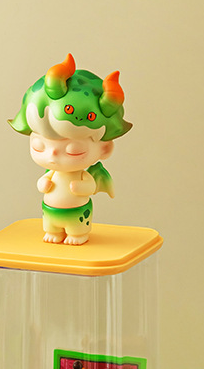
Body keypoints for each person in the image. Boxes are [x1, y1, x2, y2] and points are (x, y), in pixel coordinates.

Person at [9, 53, 131, 245]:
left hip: (78, 213)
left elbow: (90, 186)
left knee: (77, 227)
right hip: (51, 212)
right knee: (51, 227)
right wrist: (43, 184)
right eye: (39, 146)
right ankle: (54, 232)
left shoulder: (84, 176)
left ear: (105, 149)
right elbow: (42, 184)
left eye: (74, 150)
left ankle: (78, 233)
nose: (53, 154)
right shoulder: (51, 173)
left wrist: (81, 187)